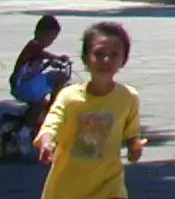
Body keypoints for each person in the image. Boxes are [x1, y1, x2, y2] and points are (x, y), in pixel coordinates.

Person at [36, 21, 144, 199]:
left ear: (123, 59)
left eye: (114, 55)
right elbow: (52, 123)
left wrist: (135, 147)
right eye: (99, 54)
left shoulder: (128, 97)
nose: (106, 60)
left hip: (109, 185)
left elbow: (132, 134)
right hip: (68, 187)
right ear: (86, 57)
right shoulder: (69, 97)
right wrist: (47, 142)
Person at [10, 16, 70, 153]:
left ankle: (31, 125)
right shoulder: (33, 46)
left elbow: (35, 65)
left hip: (26, 85)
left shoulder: (36, 51)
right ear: (39, 32)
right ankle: (53, 110)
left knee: (41, 103)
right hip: (22, 86)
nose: (50, 42)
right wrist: (57, 58)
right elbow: (40, 54)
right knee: (59, 77)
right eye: (49, 38)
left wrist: (50, 63)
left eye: (52, 39)